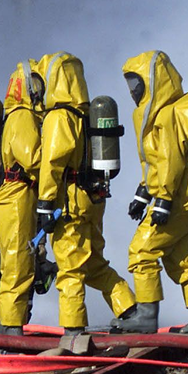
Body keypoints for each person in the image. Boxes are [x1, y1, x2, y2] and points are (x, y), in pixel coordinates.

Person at [113, 51, 188, 335]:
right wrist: (144, 193)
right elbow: (156, 163)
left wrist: (162, 200)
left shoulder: (167, 116)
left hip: (180, 196)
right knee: (179, 252)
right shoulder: (164, 114)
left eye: (136, 83)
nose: (133, 91)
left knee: (142, 250)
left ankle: (146, 316)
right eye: (129, 84)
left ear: (153, 81)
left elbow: (170, 162)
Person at [35, 52, 135, 333]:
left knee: (69, 271)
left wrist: (44, 204)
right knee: (92, 264)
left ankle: (73, 331)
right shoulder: (87, 113)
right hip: (93, 199)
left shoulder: (59, 117)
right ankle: (129, 309)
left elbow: (53, 162)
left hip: (70, 205)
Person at [0, 60, 42, 336]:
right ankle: (11, 331)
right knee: (19, 265)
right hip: (17, 196)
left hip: (11, 197)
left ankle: (4, 326)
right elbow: (32, 157)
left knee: (11, 264)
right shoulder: (23, 116)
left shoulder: (15, 114)